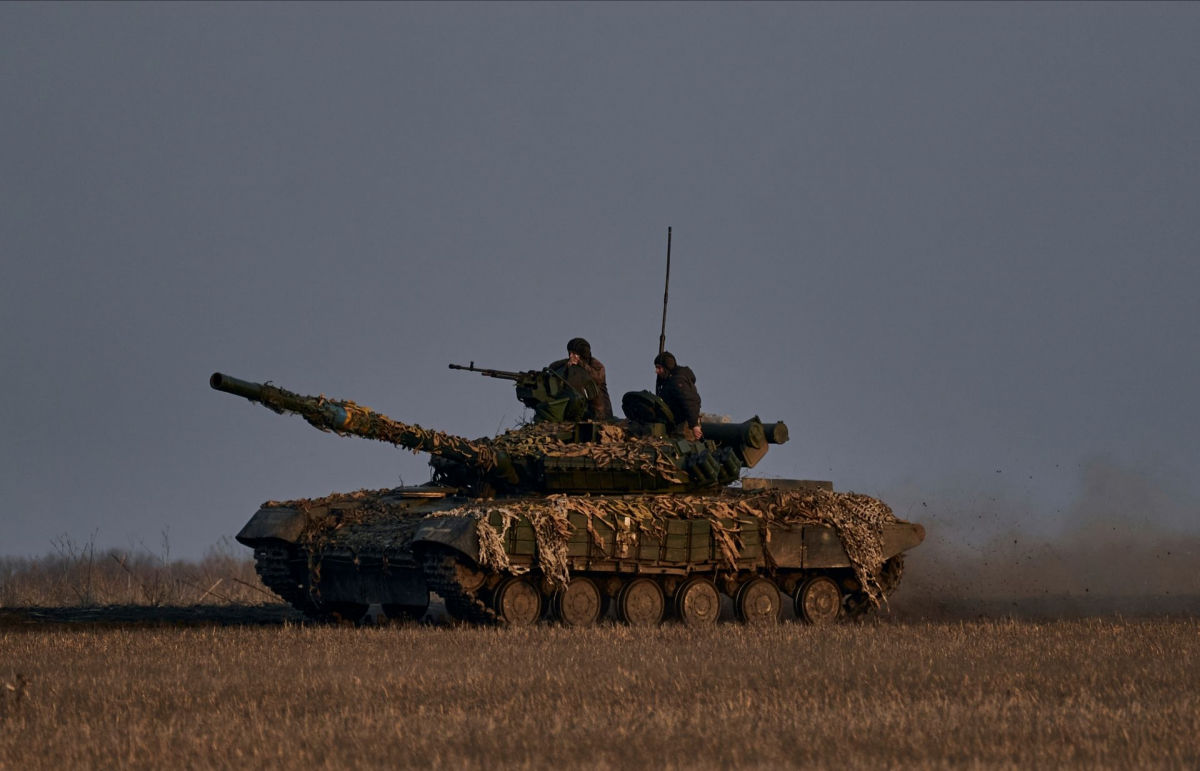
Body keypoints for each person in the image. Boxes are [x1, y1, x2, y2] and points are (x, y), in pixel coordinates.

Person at [549, 337, 613, 420]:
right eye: (569, 353)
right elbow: (552, 368)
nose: (571, 356)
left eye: (574, 353)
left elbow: (598, 378)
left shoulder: (596, 364)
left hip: (600, 409)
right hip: (580, 407)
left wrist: (581, 363)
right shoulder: (571, 363)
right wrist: (566, 363)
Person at [654, 351, 702, 440]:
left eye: (659, 368)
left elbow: (690, 402)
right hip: (677, 425)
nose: (656, 371)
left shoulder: (677, 381)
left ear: (667, 367)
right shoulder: (668, 380)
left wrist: (694, 425)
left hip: (685, 426)